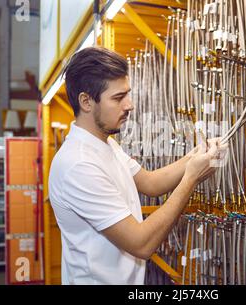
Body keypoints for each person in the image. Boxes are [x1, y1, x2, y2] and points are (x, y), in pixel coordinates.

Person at [49, 47, 226, 284]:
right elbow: (141, 243)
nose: (129, 105)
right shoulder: (78, 165)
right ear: (86, 101)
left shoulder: (105, 145)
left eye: (127, 94)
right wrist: (191, 178)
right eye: (118, 98)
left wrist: (196, 156)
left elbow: (150, 183)